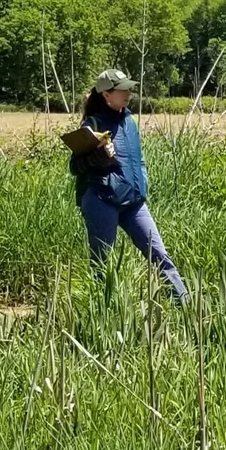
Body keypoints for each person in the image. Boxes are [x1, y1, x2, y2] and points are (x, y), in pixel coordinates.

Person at [69, 69, 188, 302]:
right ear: (106, 95)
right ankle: (103, 313)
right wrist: (98, 158)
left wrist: (142, 183)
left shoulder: (129, 122)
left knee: (159, 254)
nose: (128, 93)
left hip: (134, 202)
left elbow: (138, 159)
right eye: (122, 89)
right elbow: (75, 167)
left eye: (128, 88)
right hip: (102, 201)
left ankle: (185, 306)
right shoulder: (91, 125)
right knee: (103, 264)